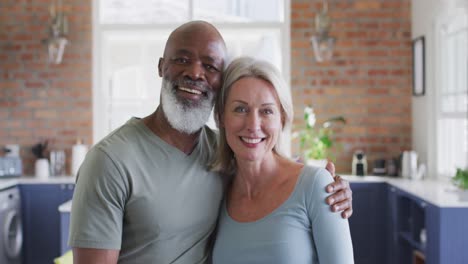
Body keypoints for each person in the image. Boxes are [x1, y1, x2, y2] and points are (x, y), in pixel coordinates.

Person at [69, 21, 353, 264]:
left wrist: (327, 188)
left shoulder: (225, 155)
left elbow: (277, 176)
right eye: (182, 59)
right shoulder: (108, 161)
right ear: (160, 67)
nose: (195, 73)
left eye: (209, 65)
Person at [211, 57, 354, 263]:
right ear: (221, 117)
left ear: (282, 119)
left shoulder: (315, 185)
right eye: (240, 109)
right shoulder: (218, 190)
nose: (253, 124)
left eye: (266, 111)